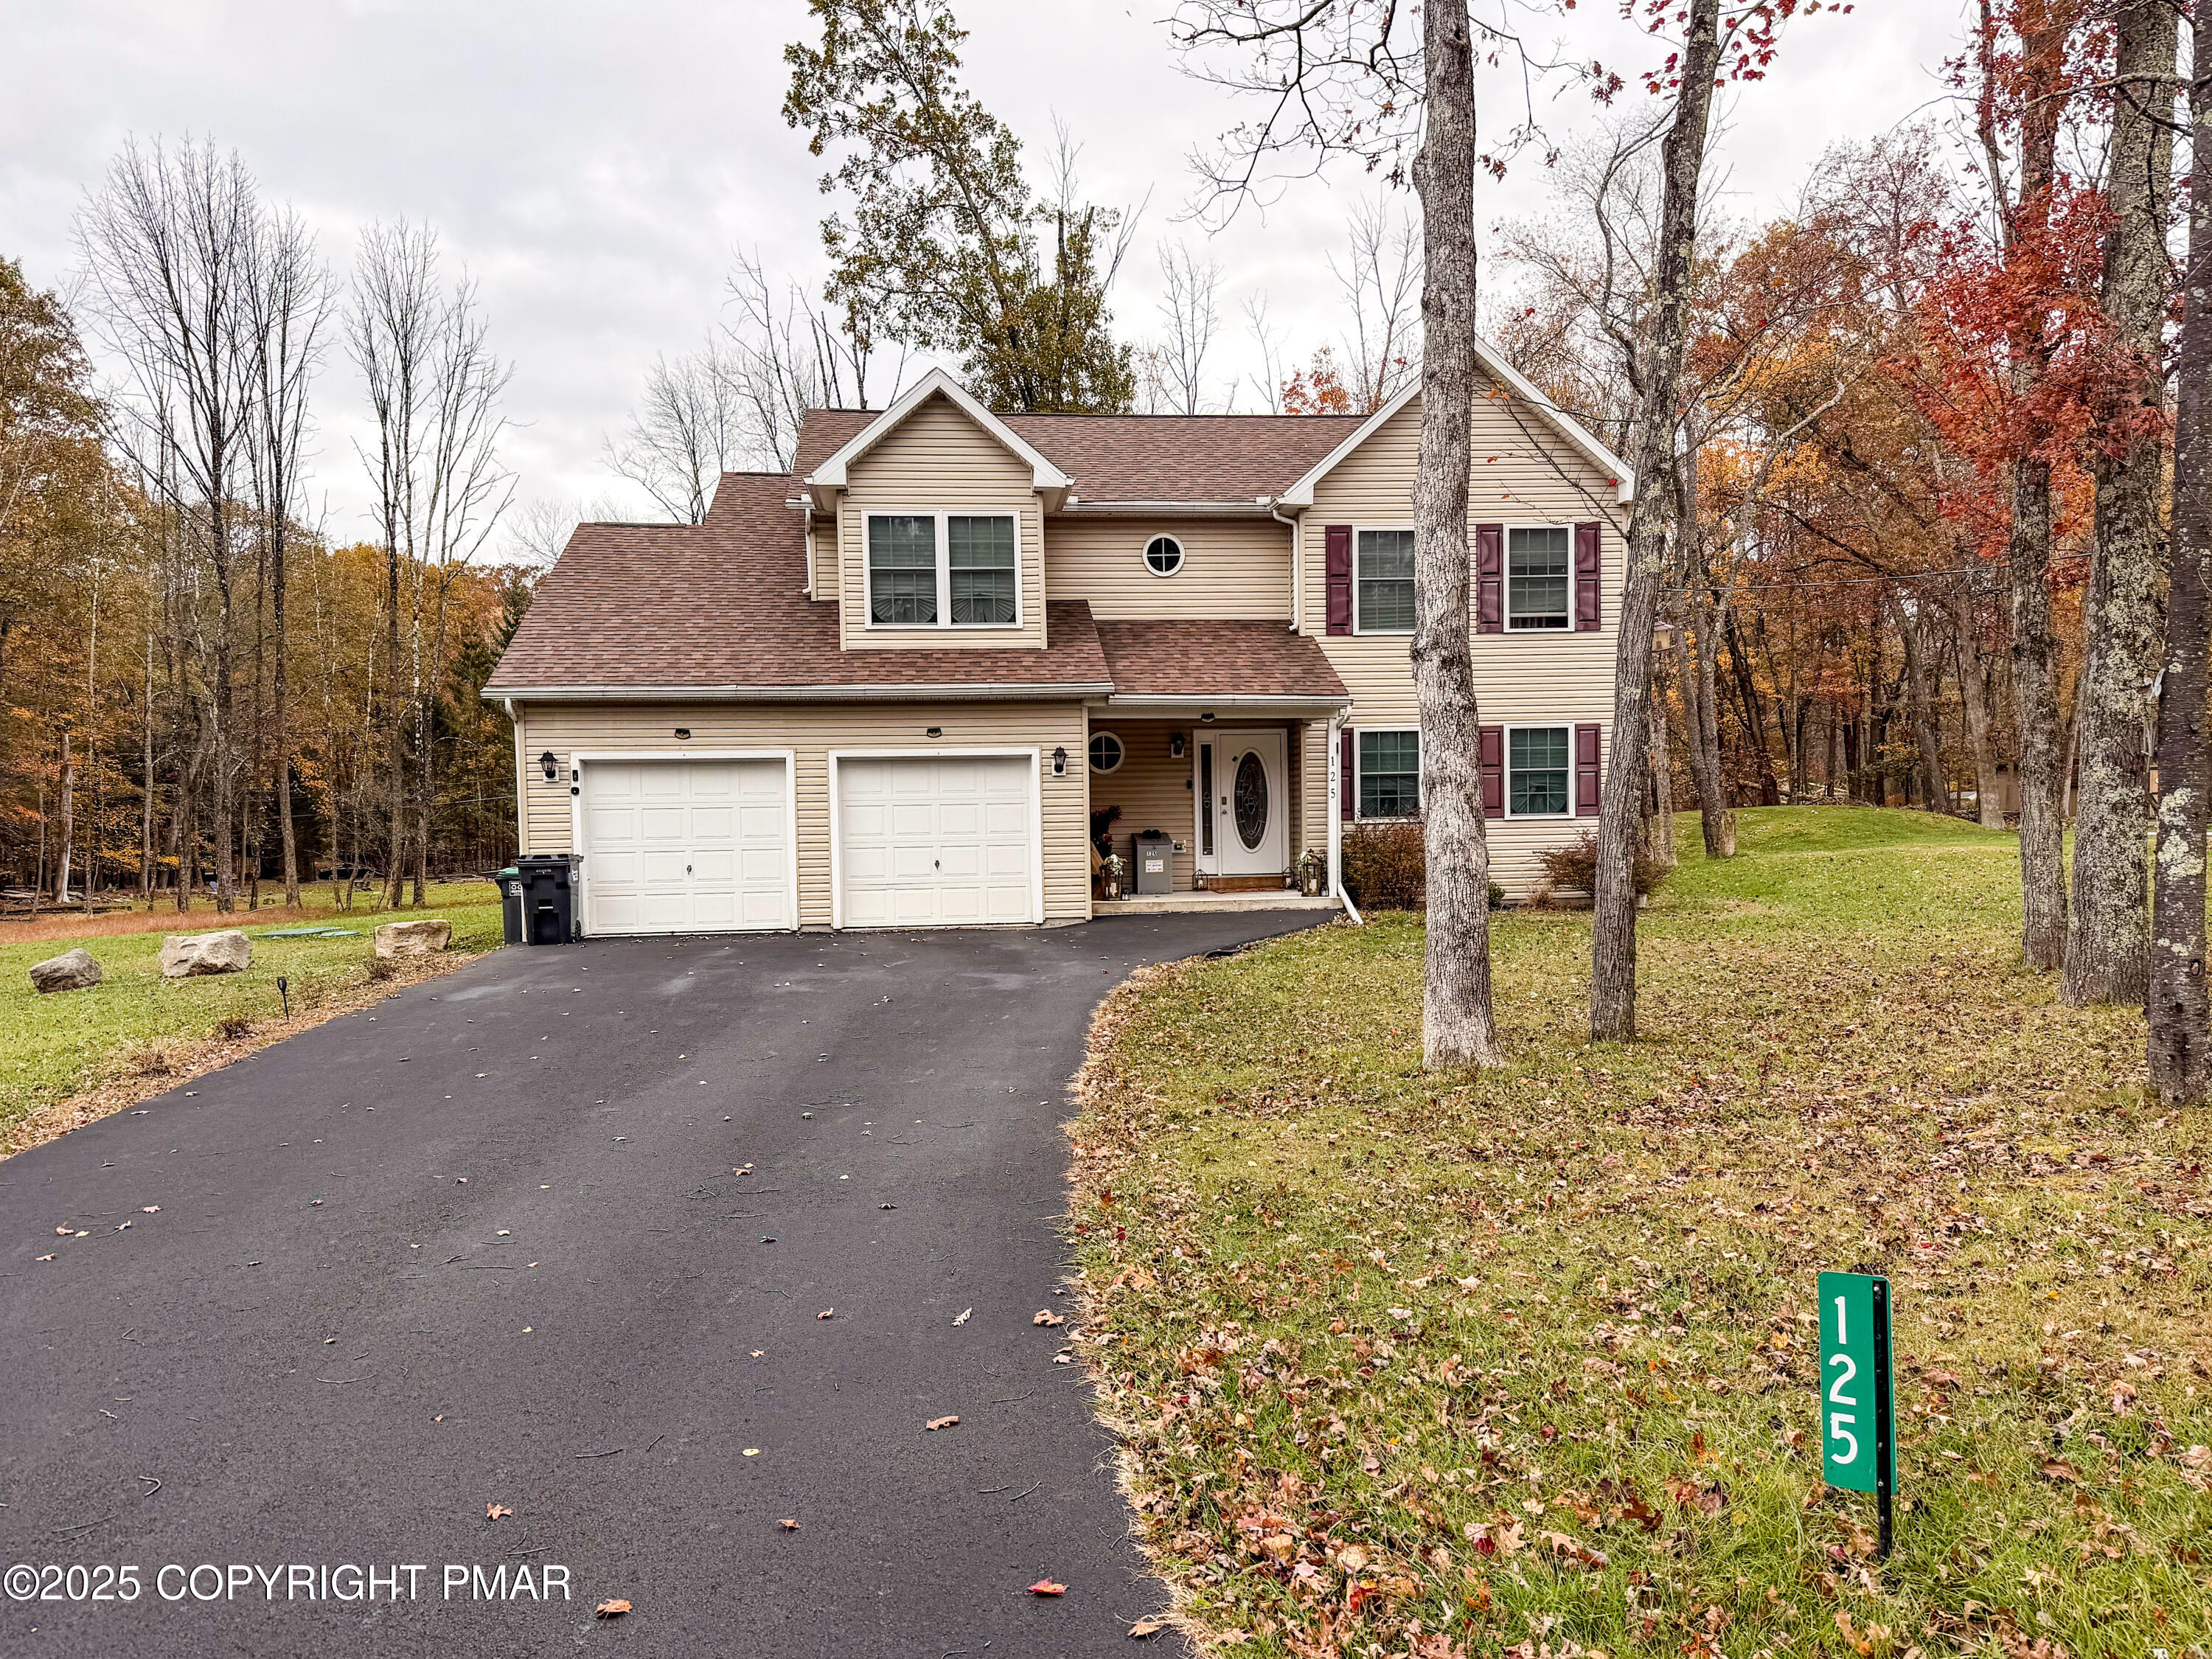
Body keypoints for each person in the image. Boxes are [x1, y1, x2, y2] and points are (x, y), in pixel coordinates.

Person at [1089, 804, 1122, 880]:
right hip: (1098, 847)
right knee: (1099, 866)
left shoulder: (1101, 819)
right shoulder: (1103, 822)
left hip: (1098, 846)